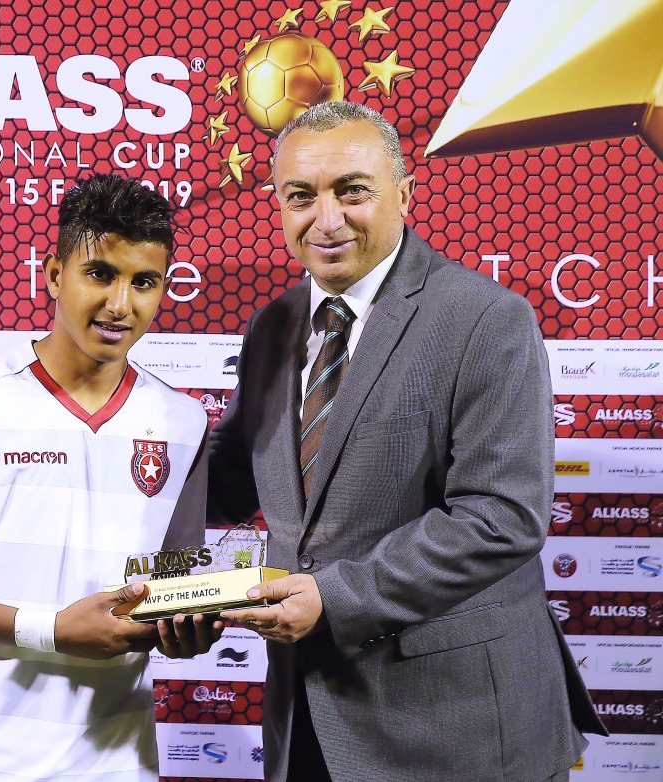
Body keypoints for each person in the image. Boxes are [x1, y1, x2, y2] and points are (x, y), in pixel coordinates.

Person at [209, 101, 605, 782]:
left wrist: (331, 597)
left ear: (405, 192)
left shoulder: (487, 319)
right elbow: (230, 483)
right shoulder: (272, 326)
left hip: (457, 729)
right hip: (308, 718)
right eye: (300, 196)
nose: (325, 220)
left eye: (351, 190)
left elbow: (501, 518)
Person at [0, 173, 221, 782]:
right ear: (55, 274)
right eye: (100, 274)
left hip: (114, 764)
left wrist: (186, 628)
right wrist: (52, 631)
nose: (120, 304)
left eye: (144, 282)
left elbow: (171, 592)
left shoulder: (184, 422)